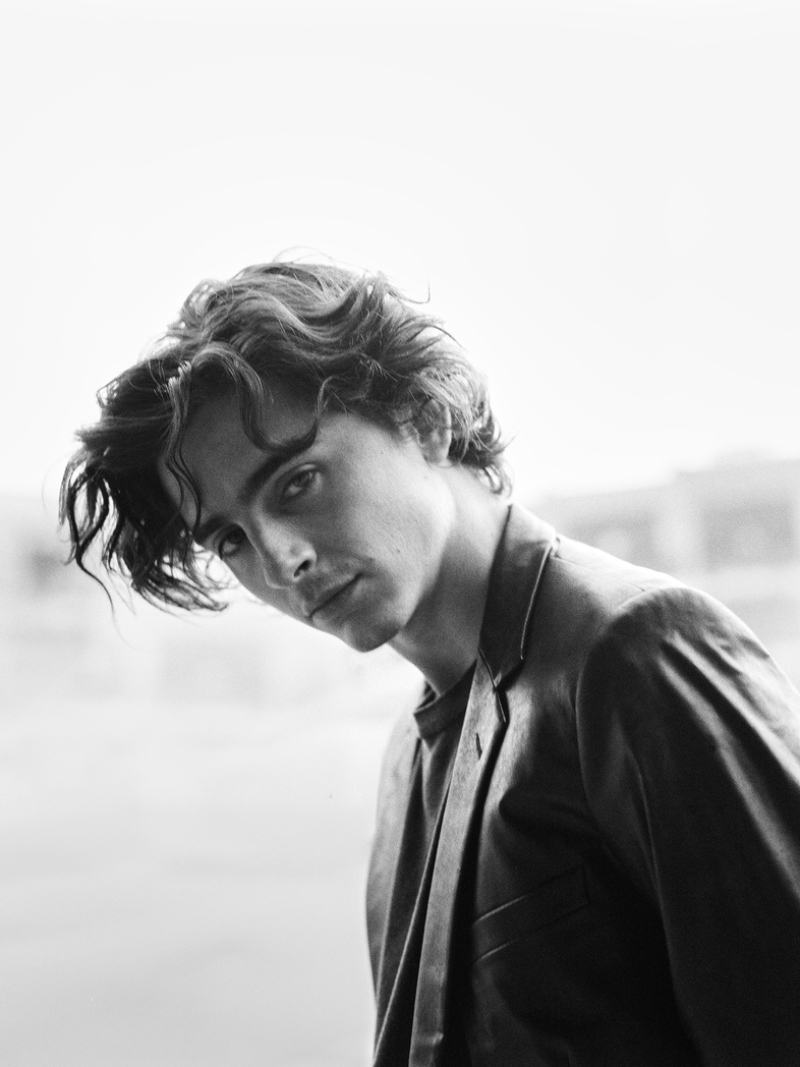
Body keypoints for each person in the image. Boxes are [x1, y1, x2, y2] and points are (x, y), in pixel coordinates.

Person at [61, 258, 800, 1067]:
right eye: (231, 539)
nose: (282, 559)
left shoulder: (633, 653)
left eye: (299, 482)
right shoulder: (406, 760)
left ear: (423, 418)